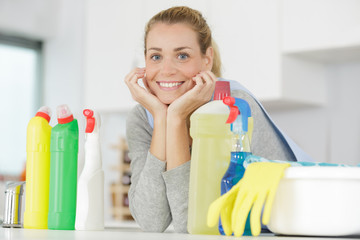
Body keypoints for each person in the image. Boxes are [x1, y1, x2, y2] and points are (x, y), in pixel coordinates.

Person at [124, 6, 313, 233]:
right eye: (156, 56)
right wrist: (164, 119)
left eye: (182, 56)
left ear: (207, 59)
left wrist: (175, 118)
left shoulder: (235, 108)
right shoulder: (143, 118)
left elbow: (193, 225)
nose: (166, 70)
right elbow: (151, 221)